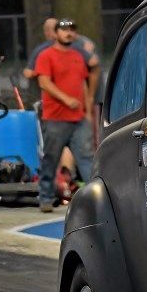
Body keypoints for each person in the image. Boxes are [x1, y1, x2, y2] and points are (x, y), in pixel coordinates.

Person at [34, 18, 96, 212]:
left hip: (79, 118)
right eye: (64, 29)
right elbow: (44, 82)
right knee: (51, 158)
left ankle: (95, 199)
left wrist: (87, 110)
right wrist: (66, 99)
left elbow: (83, 83)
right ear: (56, 33)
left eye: (72, 29)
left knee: (87, 159)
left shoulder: (78, 56)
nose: (68, 33)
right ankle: (46, 197)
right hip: (56, 117)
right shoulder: (46, 55)